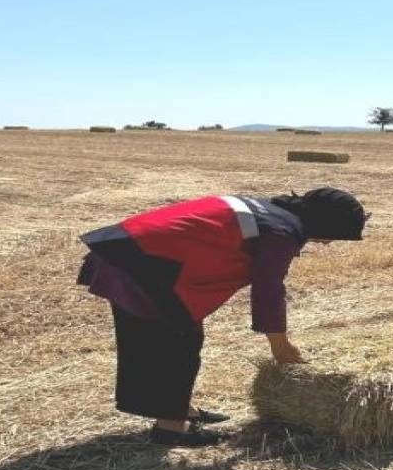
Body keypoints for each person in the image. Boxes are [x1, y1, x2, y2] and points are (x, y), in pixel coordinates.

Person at [77, 188, 368, 446]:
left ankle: (178, 409)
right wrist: (280, 344)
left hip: (125, 252)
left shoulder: (267, 211)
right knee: (180, 342)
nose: (328, 243)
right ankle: (171, 429)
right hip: (145, 264)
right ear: (326, 223)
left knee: (148, 340)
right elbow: (268, 288)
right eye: (334, 235)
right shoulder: (282, 230)